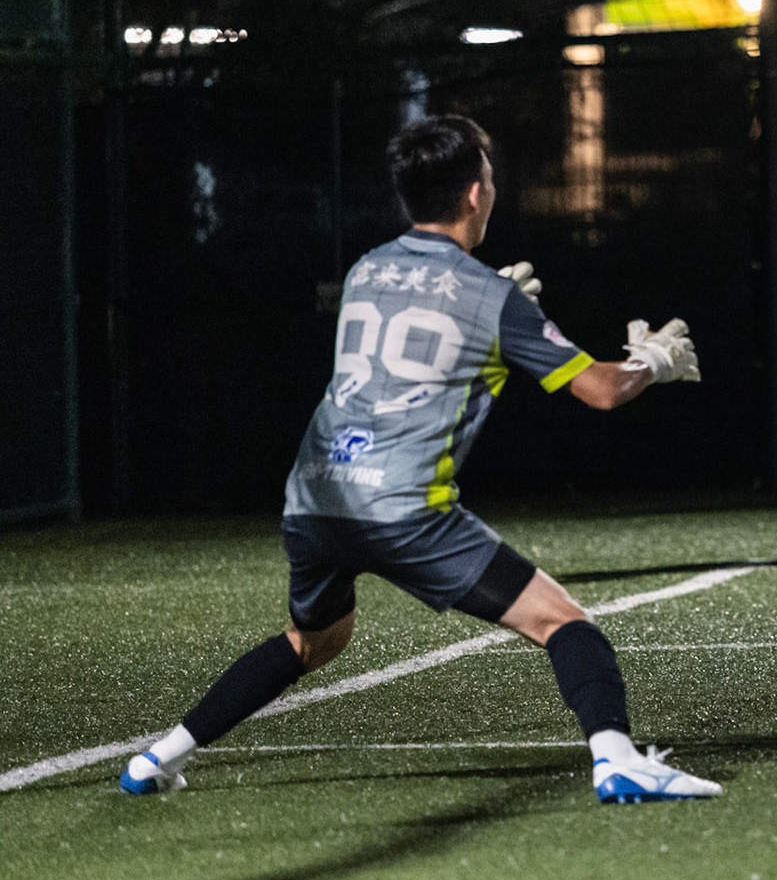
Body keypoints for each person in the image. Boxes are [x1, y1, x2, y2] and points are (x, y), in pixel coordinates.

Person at [120, 115, 721, 803]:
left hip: (315, 495)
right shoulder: (491, 297)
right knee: (566, 623)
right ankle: (616, 758)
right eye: (490, 178)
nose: (493, 189)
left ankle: (159, 757)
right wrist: (652, 361)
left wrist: (481, 301)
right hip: (403, 509)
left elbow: (417, 331)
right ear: (473, 194)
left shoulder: (365, 268)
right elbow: (602, 391)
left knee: (312, 642)